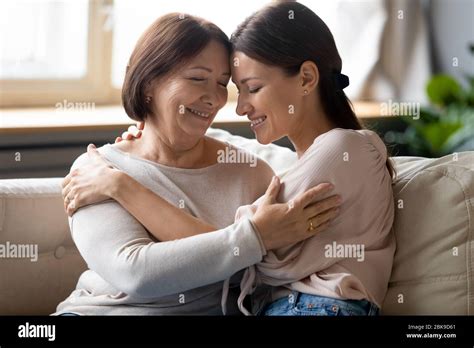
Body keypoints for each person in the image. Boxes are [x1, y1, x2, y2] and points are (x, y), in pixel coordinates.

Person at [62, 2, 396, 316]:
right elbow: (136, 271)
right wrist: (253, 237)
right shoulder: (95, 171)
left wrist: (123, 187)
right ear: (149, 82)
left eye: (225, 84)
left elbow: (246, 259)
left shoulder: (262, 169)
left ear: (308, 78)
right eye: (197, 78)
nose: (225, 102)